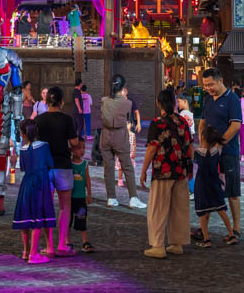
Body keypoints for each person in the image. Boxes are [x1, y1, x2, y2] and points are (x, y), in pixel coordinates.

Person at [139, 89, 193, 259]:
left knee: (158, 208)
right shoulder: (182, 121)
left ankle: (158, 246)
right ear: (175, 103)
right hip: (181, 170)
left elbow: (151, 148)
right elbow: (190, 145)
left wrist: (143, 170)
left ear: (158, 103)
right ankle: (177, 243)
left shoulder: (158, 123)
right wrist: (190, 168)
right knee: (179, 208)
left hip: (163, 170)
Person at [34, 86, 80, 256]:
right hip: (63, 166)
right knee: (64, 207)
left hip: (44, 167)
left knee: (46, 207)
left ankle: (49, 247)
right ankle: (62, 245)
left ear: (46, 102)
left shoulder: (39, 120)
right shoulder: (67, 120)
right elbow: (74, 143)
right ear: (61, 102)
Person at [197, 68, 242, 238]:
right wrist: (203, 144)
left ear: (220, 81)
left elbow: (235, 125)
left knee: (232, 190)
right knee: (207, 188)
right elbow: (203, 123)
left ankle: (236, 228)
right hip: (209, 153)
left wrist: (220, 144)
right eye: (205, 85)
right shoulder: (208, 99)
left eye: (210, 84)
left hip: (228, 151)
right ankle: (203, 229)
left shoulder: (232, 99)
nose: (208, 88)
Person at [99, 75, 147, 209]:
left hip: (105, 135)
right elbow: (127, 118)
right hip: (120, 135)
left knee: (108, 168)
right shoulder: (127, 103)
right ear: (123, 87)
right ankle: (133, 198)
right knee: (127, 167)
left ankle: (111, 198)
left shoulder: (104, 100)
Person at [12, 119, 55, 264]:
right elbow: (50, 163)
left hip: (27, 183)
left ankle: (26, 251)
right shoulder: (44, 146)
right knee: (38, 217)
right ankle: (33, 254)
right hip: (40, 183)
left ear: (23, 134)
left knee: (26, 217)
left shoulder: (23, 149)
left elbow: (23, 167)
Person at [192, 124, 236, 248]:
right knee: (221, 209)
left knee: (202, 212)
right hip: (214, 183)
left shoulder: (198, 153)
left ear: (203, 138)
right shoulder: (217, 151)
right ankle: (231, 234)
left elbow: (193, 158)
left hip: (202, 184)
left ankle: (206, 239)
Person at [69, 137, 94, 253]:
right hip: (70, 198)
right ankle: (67, 241)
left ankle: (85, 241)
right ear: (72, 150)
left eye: (84, 148)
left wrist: (89, 194)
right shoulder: (69, 164)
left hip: (81, 198)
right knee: (68, 220)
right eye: (79, 148)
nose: (82, 150)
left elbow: (87, 180)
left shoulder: (85, 164)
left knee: (82, 219)